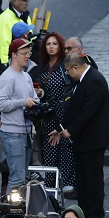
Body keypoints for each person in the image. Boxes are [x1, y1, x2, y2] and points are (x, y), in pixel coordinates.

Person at [51, 52, 109, 218]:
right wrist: (60, 129)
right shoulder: (79, 81)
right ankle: (83, 211)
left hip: (93, 139)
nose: (67, 74)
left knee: (92, 179)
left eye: (67, 70)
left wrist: (69, 131)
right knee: (82, 179)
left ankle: (95, 213)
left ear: (76, 67)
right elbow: (72, 108)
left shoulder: (95, 80)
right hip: (82, 140)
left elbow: (87, 111)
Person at [28, 32, 74, 191]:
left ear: (59, 46)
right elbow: (39, 89)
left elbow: (69, 88)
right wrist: (39, 93)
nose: (51, 47)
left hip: (63, 112)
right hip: (47, 115)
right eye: (48, 44)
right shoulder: (41, 67)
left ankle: (68, 183)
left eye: (54, 44)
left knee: (66, 149)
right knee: (48, 149)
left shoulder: (64, 65)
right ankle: (50, 185)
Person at [0, 38, 39, 193]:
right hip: (13, 134)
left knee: (22, 177)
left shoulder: (26, 77)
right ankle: (9, 215)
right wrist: (23, 102)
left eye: (29, 53)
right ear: (14, 55)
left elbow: (33, 98)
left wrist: (35, 103)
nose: (28, 56)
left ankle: (18, 213)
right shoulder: (7, 78)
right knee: (17, 178)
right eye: (24, 53)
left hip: (25, 133)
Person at [0, 0, 31, 67]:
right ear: (14, 1)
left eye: (27, 1)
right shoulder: (4, 18)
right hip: (9, 65)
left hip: (23, 62)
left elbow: (29, 38)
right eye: (24, 0)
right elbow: (2, 45)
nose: (27, 3)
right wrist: (3, 66)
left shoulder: (26, 17)